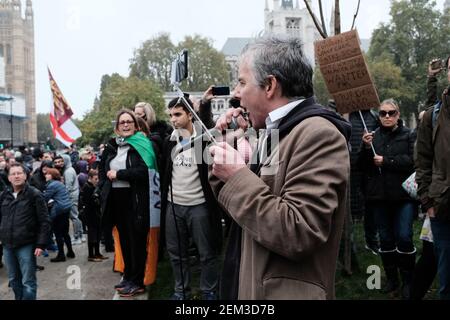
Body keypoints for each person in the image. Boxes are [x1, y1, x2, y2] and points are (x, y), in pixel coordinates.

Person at [208, 35, 351, 300]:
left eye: (241, 82)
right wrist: (222, 146)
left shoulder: (319, 135)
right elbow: (244, 209)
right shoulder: (272, 133)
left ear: (270, 85)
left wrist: (238, 175)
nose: (236, 94)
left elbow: (299, 231)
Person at [161, 97, 223, 300]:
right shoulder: (168, 141)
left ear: (189, 114)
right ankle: (181, 291)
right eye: (170, 115)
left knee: (207, 253)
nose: (173, 119)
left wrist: (204, 106)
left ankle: (209, 291)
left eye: (178, 114)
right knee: (176, 253)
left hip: (199, 206)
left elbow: (210, 126)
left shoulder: (203, 139)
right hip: (173, 205)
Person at [359, 99, 416, 299]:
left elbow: (413, 161)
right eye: (383, 113)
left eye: (391, 113)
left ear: (398, 115)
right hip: (379, 198)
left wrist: (387, 161)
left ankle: (409, 281)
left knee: (404, 236)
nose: (387, 117)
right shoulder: (371, 137)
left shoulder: (409, 135)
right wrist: (366, 149)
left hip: (402, 198)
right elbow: (362, 167)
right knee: (386, 240)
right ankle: (392, 279)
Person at [98, 109, 158, 297]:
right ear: (117, 127)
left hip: (136, 200)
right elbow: (102, 170)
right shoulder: (112, 146)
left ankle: (138, 281)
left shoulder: (142, 144)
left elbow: (144, 172)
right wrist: (102, 187)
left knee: (137, 241)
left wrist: (119, 174)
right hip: (116, 201)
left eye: (129, 122)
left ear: (135, 125)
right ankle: (129, 277)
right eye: (122, 122)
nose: (125, 125)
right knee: (124, 241)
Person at [415, 55, 450, 300]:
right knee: (447, 279)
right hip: (443, 207)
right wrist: (428, 202)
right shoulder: (434, 115)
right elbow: (423, 160)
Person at [0, 163, 51, 300]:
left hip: (26, 244)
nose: (16, 176)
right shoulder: (4, 195)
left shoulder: (34, 194)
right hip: (7, 245)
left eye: (19, 173)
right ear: (9, 178)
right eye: (13, 174)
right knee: (14, 280)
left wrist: (41, 244)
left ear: (25, 175)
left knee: (28, 281)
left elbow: (44, 221)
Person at [43, 168, 75, 262]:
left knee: (58, 233)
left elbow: (45, 198)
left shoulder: (52, 185)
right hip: (66, 209)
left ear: (52, 175)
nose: (46, 175)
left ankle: (61, 255)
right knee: (65, 233)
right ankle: (70, 251)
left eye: (48, 174)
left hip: (59, 211)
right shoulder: (59, 183)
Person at [54, 155, 83, 245]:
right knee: (75, 216)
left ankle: (78, 236)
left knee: (74, 217)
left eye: (62, 161)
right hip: (73, 195)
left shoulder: (68, 172)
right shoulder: (68, 169)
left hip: (71, 197)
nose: (60, 163)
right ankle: (80, 235)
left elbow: (68, 187)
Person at [79, 169, 108, 262]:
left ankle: (97, 253)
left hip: (96, 215)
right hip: (90, 216)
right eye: (96, 179)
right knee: (92, 236)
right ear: (90, 178)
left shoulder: (93, 187)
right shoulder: (87, 187)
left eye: (98, 179)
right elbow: (88, 203)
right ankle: (91, 255)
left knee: (97, 235)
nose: (97, 181)